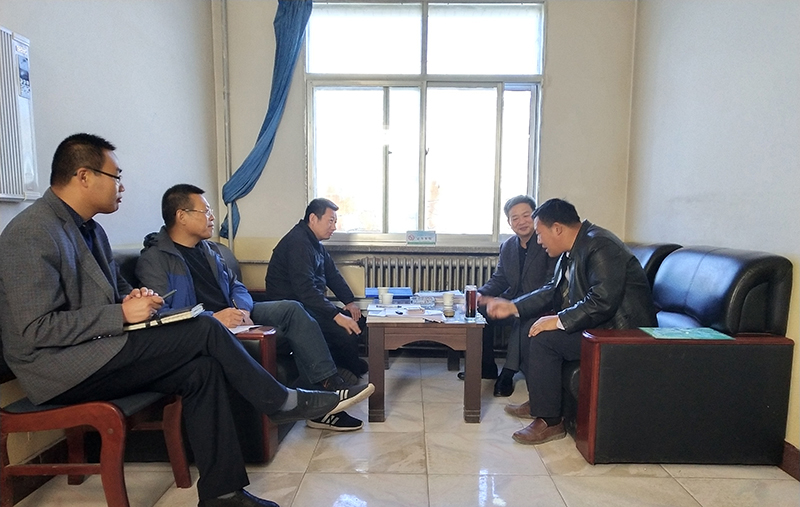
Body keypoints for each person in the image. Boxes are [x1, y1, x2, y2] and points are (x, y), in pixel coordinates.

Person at [0, 133, 366, 507]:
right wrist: (120, 313)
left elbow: (118, 290)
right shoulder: (32, 231)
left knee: (202, 371)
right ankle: (280, 401)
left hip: (98, 351)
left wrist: (134, 297)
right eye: (116, 177)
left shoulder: (90, 229)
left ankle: (223, 494)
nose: (122, 187)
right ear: (83, 176)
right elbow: (35, 330)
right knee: (206, 326)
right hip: (59, 369)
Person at [136, 184, 373, 432]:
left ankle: (330, 385)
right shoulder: (155, 259)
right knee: (320, 320)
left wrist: (243, 309)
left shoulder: (209, 251)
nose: (212, 217)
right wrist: (213, 318)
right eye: (205, 211)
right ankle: (327, 400)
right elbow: (163, 315)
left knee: (293, 310)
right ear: (181, 216)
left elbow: (236, 286)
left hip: (237, 314)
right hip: (206, 327)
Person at [487, 198, 657, 445]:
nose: (539, 241)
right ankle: (541, 403)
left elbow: (602, 300)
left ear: (557, 228)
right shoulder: (572, 250)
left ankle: (550, 422)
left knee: (545, 339)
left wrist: (559, 320)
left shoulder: (600, 246)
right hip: (600, 326)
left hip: (620, 333)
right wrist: (514, 306)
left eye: (540, 234)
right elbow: (551, 290)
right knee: (533, 328)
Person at [458, 195, 556, 397]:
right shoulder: (508, 246)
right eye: (515, 218)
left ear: (536, 217)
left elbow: (550, 285)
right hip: (511, 299)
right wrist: (481, 295)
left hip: (539, 304)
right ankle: (486, 367)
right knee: (479, 311)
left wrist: (517, 305)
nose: (521, 222)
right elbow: (500, 278)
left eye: (526, 215)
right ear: (509, 223)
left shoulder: (547, 243)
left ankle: (508, 373)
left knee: (522, 316)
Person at [265, 198, 368, 380]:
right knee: (344, 331)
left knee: (358, 320)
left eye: (335, 222)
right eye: (330, 221)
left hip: (310, 304)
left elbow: (333, 275)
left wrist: (349, 302)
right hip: (295, 310)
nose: (334, 227)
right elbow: (305, 290)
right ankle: (347, 374)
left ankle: (344, 366)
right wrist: (336, 315)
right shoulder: (298, 243)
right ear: (313, 218)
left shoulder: (315, 244)